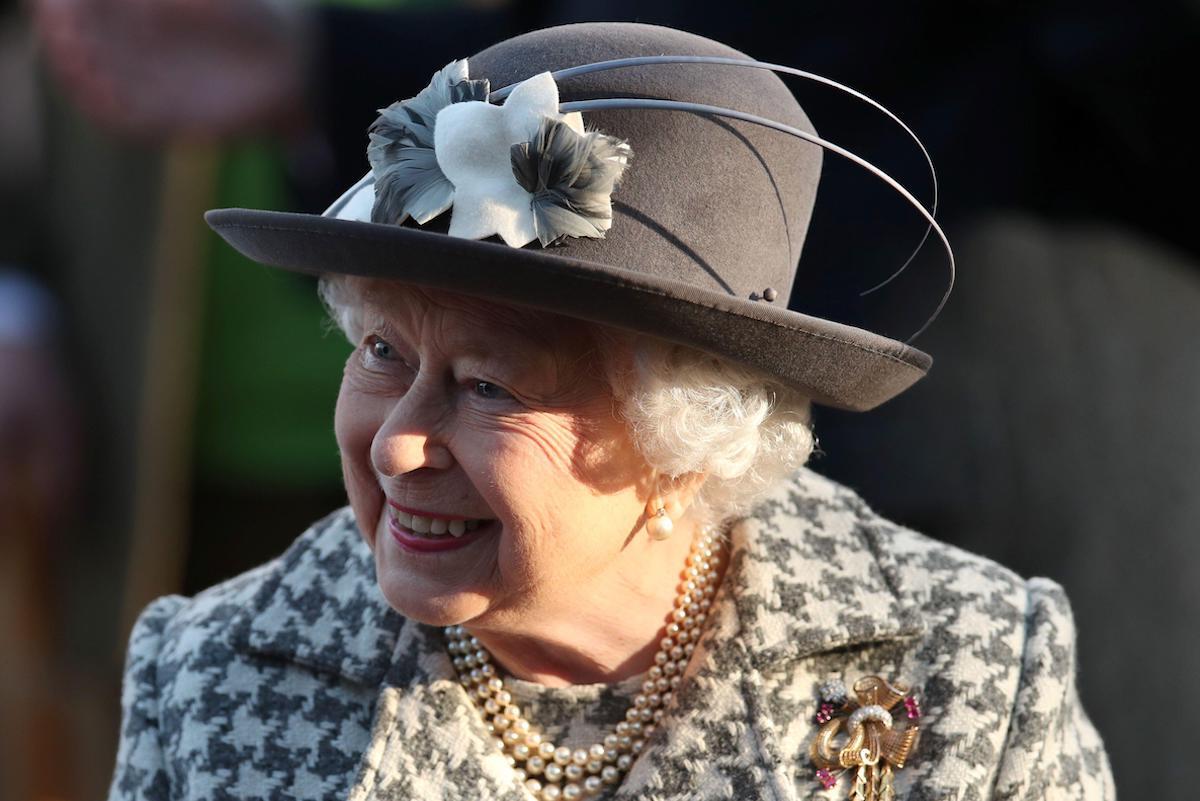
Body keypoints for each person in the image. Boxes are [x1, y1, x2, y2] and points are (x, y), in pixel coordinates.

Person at [107, 22, 1115, 801]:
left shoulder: (969, 665)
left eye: (489, 385)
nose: (400, 441)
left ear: (689, 435)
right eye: (384, 352)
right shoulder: (211, 675)